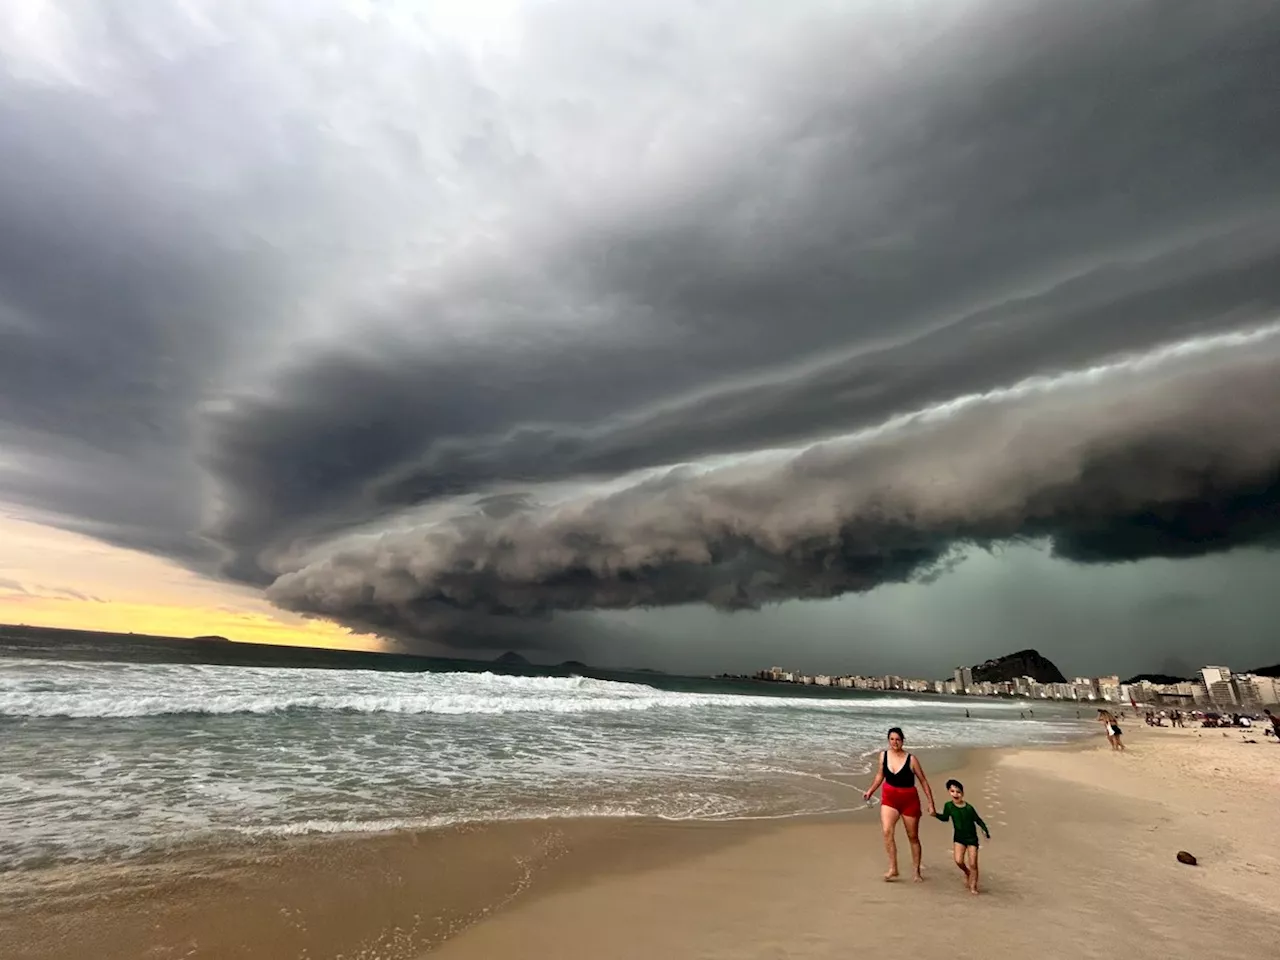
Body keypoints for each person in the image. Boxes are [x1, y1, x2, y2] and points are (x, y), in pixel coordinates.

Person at [862, 727, 937, 882]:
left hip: (909, 800)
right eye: (891, 739)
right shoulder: (883, 756)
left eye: (897, 739)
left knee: (913, 837)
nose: (894, 742)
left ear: (902, 740)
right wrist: (870, 791)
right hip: (889, 799)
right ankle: (893, 868)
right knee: (887, 831)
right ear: (888, 740)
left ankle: (916, 871)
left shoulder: (911, 759)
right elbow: (880, 775)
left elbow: (923, 781)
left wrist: (931, 803)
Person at [933, 779, 991, 895]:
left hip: (972, 839)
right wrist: (935, 814)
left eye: (958, 792)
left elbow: (978, 820)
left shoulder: (969, 808)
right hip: (959, 838)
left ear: (962, 793)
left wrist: (985, 831)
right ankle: (967, 872)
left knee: (973, 863)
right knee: (958, 861)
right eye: (952, 791)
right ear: (949, 792)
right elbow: (945, 818)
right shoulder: (948, 806)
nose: (955, 794)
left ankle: (973, 886)